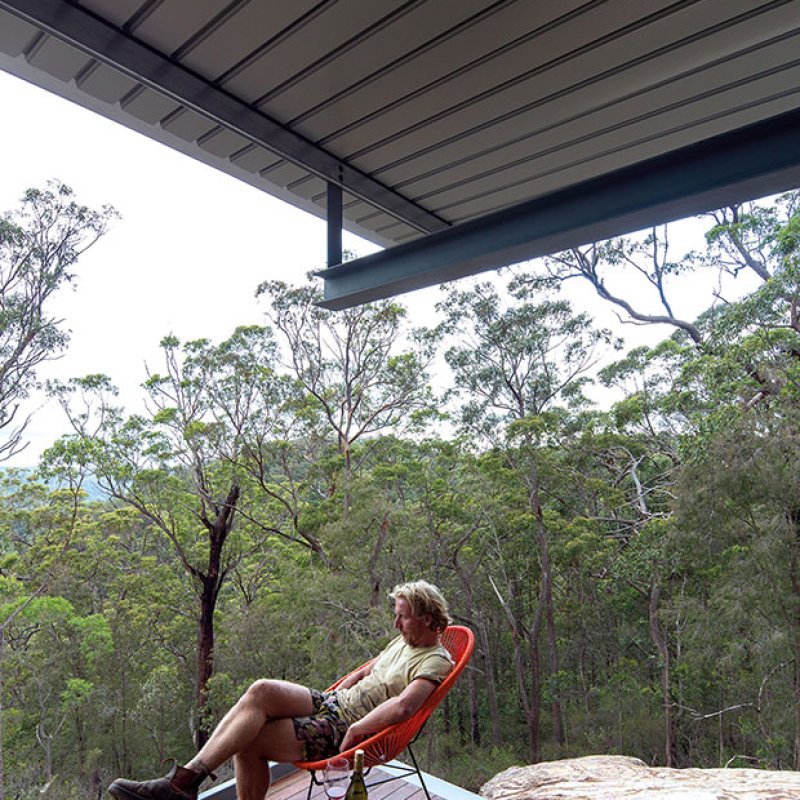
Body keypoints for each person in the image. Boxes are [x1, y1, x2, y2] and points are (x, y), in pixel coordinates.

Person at [108, 580, 453, 800]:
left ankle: (180, 786)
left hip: (345, 728)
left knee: (250, 741)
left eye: (403, 617)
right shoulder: (403, 641)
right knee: (260, 691)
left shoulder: (435, 661)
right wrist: (341, 689)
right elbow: (370, 669)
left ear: (426, 618)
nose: (395, 623)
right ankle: (186, 779)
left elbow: (405, 708)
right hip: (333, 704)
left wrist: (358, 728)